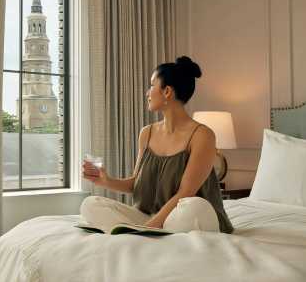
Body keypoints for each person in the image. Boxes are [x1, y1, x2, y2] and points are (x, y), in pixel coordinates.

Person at [80, 56, 234, 234]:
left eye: (152, 85)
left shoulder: (202, 136)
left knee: (193, 207)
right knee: (91, 204)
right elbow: (135, 184)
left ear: (167, 91)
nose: (147, 92)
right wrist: (106, 181)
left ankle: (143, 232)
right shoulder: (147, 133)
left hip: (185, 216)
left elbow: (186, 192)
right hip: (152, 217)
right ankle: (148, 232)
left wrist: (150, 226)